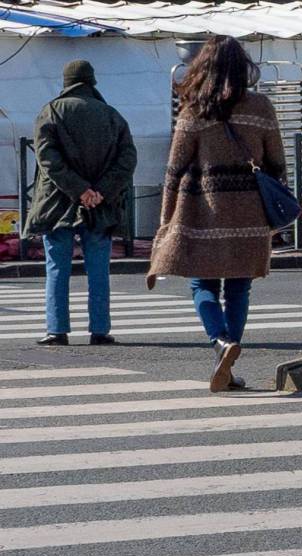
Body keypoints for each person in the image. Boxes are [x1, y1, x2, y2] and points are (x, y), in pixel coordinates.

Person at [146, 36, 286, 393]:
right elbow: (277, 165)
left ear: (202, 67)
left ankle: (221, 342)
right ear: (244, 69)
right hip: (250, 215)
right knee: (240, 288)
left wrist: (165, 223)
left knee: (202, 284)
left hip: (203, 214)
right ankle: (227, 363)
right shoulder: (261, 107)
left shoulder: (193, 110)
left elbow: (174, 171)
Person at [23, 60, 136, 346]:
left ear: (66, 82)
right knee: (98, 269)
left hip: (56, 203)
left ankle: (56, 329)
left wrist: (79, 189)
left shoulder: (50, 112)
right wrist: (99, 191)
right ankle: (100, 329)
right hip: (101, 205)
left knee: (57, 267)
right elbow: (127, 160)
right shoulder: (112, 116)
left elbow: (48, 160)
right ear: (92, 82)